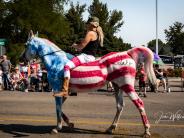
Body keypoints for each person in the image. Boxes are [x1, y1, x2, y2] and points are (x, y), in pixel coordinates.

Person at [54, 16, 104, 97]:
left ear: (91, 24)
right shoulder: (98, 34)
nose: (86, 25)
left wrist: (75, 46)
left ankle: (65, 90)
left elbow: (81, 46)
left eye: (87, 24)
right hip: (91, 57)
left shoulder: (90, 33)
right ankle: (72, 88)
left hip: (85, 57)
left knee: (66, 66)